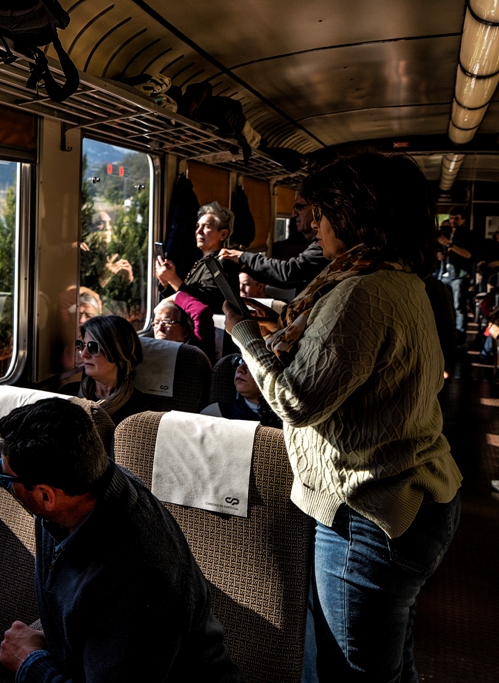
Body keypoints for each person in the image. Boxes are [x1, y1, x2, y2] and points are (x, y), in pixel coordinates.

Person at [223, 152, 462, 683]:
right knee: (390, 667)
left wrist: (243, 334)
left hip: (368, 512)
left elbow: (297, 400)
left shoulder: (361, 292)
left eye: (323, 213)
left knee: (345, 672)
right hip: (408, 498)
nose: (315, 226)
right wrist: (273, 323)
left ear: (354, 215)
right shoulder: (393, 279)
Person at [0, 383, 242, 682]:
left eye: (8, 478)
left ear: (45, 496)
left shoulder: (136, 580)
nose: (3, 478)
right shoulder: (85, 480)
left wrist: (29, 662)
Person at [219, 193, 329, 291]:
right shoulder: (319, 245)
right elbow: (289, 281)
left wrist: (242, 257)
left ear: (319, 210)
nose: (293, 215)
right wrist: (244, 266)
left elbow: (291, 273)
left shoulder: (326, 246)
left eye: (299, 208)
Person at [61, 314, 151, 426]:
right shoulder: (68, 394)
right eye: (82, 345)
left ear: (119, 353)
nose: (83, 354)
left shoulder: (141, 409)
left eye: (93, 347)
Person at [156, 202, 240, 312]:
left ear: (223, 234)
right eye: (197, 226)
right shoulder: (200, 261)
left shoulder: (221, 263)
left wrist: (173, 279)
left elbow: (202, 305)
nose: (198, 232)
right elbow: (183, 301)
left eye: (207, 227)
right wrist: (166, 283)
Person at [201, 355, 282, 428]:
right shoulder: (214, 415)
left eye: (251, 364)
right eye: (240, 361)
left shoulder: (286, 418)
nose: (240, 369)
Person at [438, 206, 474, 343]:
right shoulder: (446, 233)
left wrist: (450, 245)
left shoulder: (467, 235)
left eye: (457, 218)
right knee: (445, 308)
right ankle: (446, 337)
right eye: (451, 218)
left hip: (460, 275)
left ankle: (459, 341)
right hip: (444, 275)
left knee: (459, 307)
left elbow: (468, 254)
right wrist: (439, 254)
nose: (453, 221)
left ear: (463, 220)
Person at [153, 290, 216, 362]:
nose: (160, 328)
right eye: (156, 323)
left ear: (185, 331)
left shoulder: (196, 351)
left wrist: (175, 297)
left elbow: (201, 312)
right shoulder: (150, 351)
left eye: (167, 322)